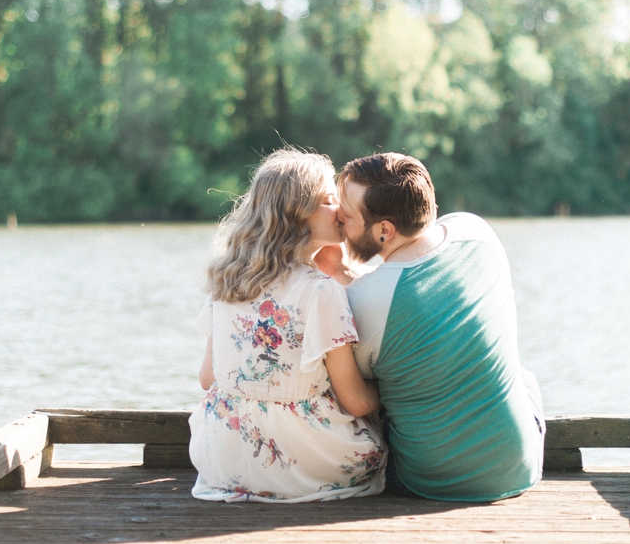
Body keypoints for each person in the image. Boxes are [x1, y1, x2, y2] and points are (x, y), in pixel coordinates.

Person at [321, 152, 544, 502]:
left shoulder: (362, 301)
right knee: (523, 377)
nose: (337, 220)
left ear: (384, 230)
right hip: (521, 468)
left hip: (424, 481)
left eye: (346, 216)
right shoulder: (476, 232)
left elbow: (357, 383)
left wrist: (336, 277)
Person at [189, 149, 387, 502]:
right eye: (330, 200)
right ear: (297, 214)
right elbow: (355, 402)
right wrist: (392, 392)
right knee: (377, 437)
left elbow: (208, 378)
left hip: (223, 457)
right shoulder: (320, 290)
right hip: (303, 462)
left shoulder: (227, 279)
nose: (341, 210)